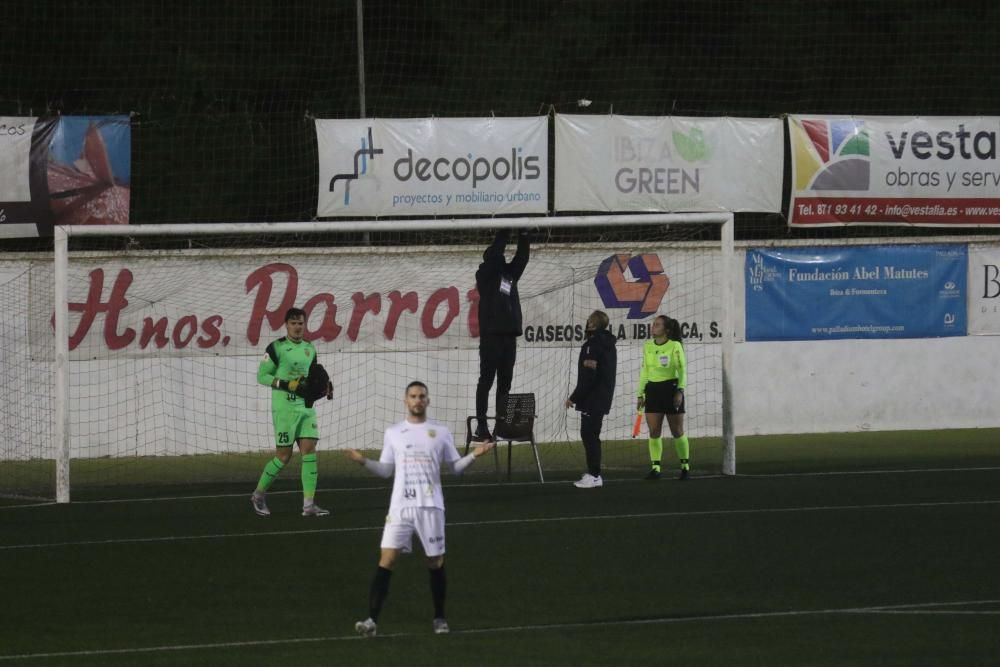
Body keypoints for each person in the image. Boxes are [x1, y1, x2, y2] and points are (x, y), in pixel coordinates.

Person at [347, 381, 494, 637]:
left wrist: (475, 454)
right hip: (400, 507)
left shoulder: (440, 432)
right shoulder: (393, 433)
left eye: (421, 396)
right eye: (413, 396)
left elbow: (455, 468)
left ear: (428, 401)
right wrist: (363, 462)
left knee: (435, 561)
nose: (417, 400)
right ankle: (371, 620)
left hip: (431, 506)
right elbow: (386, 470)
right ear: (406, 401)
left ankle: (439, 618)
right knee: (387, 560)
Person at [251, 307, 333, 517]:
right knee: (283, 456)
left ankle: (308, 505)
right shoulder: (276, 347)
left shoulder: (309, 348)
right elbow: (262, 376)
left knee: (309, 451)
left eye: (301, 323)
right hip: (284, 409)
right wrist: (287, 384)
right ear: (286, 325)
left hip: (305, 407)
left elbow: (314, 376)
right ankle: (258, 495)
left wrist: (325, 386)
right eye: (293, 323)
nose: (297, 327)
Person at [472, 228, 530, 442]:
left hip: (509, 337)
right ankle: (481, 426)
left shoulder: (509, 276)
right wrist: (504, 232)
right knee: (486, 381)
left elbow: (522, 259)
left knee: (505, 383)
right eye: (498, 254)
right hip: (491, 337)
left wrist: (524, 236)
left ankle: (501, 424)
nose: (502, 256)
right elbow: (496, 254)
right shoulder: (484, 275)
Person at [565, 310, 617, 489]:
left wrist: (573, 397)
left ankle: (595, 475)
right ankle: (593, 473)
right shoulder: (608, 343)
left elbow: (589, 376)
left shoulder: (592, 345)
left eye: (589, 321)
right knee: (591, 434)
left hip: (593, 399)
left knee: (589, 435)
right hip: (602, 397)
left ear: (592, 324)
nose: (586, 323)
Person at [636, 315, 690, 480]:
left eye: (657, 325)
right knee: (654, 431)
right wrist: (640, 393)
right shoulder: (647, 346)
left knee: (677, 431)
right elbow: (645, 371)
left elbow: (682, 370)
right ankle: (656, 468)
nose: (653, 327)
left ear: (666, 330)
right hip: (652, 390)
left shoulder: (675, 346)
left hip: (671, 389)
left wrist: (680, 390)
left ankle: (685, 467)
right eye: (653, 324)